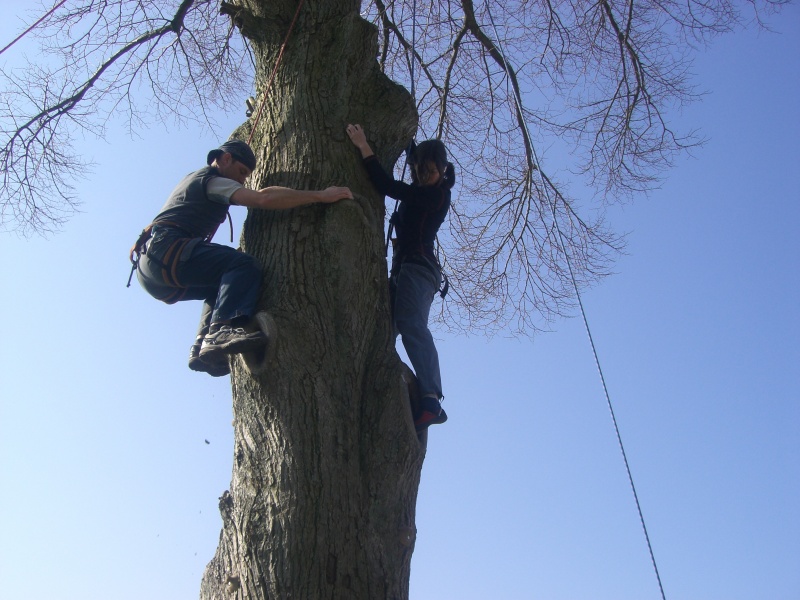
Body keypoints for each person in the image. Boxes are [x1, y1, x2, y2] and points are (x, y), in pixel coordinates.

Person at [130, 139, 353, 376]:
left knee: (218, 286)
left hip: (151, 270)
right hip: (168, 252)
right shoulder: (214, 181)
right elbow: (262, 200)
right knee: (243, 264)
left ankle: (202, 346)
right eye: (242, 172)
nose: (241, 180)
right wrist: (321, 195)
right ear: (226, 159)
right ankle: (220, 330)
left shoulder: (191, 180)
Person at [346, 124, 455, 432]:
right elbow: (412, 154)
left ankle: (432, 397)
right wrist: (408, 134)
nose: (424, 176)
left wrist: (363, 144)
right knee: (384, 329)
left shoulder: (436, 196)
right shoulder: (424, 185)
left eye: (431, 171)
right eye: (420, 171)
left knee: (410, 323)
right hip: (403, 270)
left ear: (444, 171)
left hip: (419, 269)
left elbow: (386, 186)